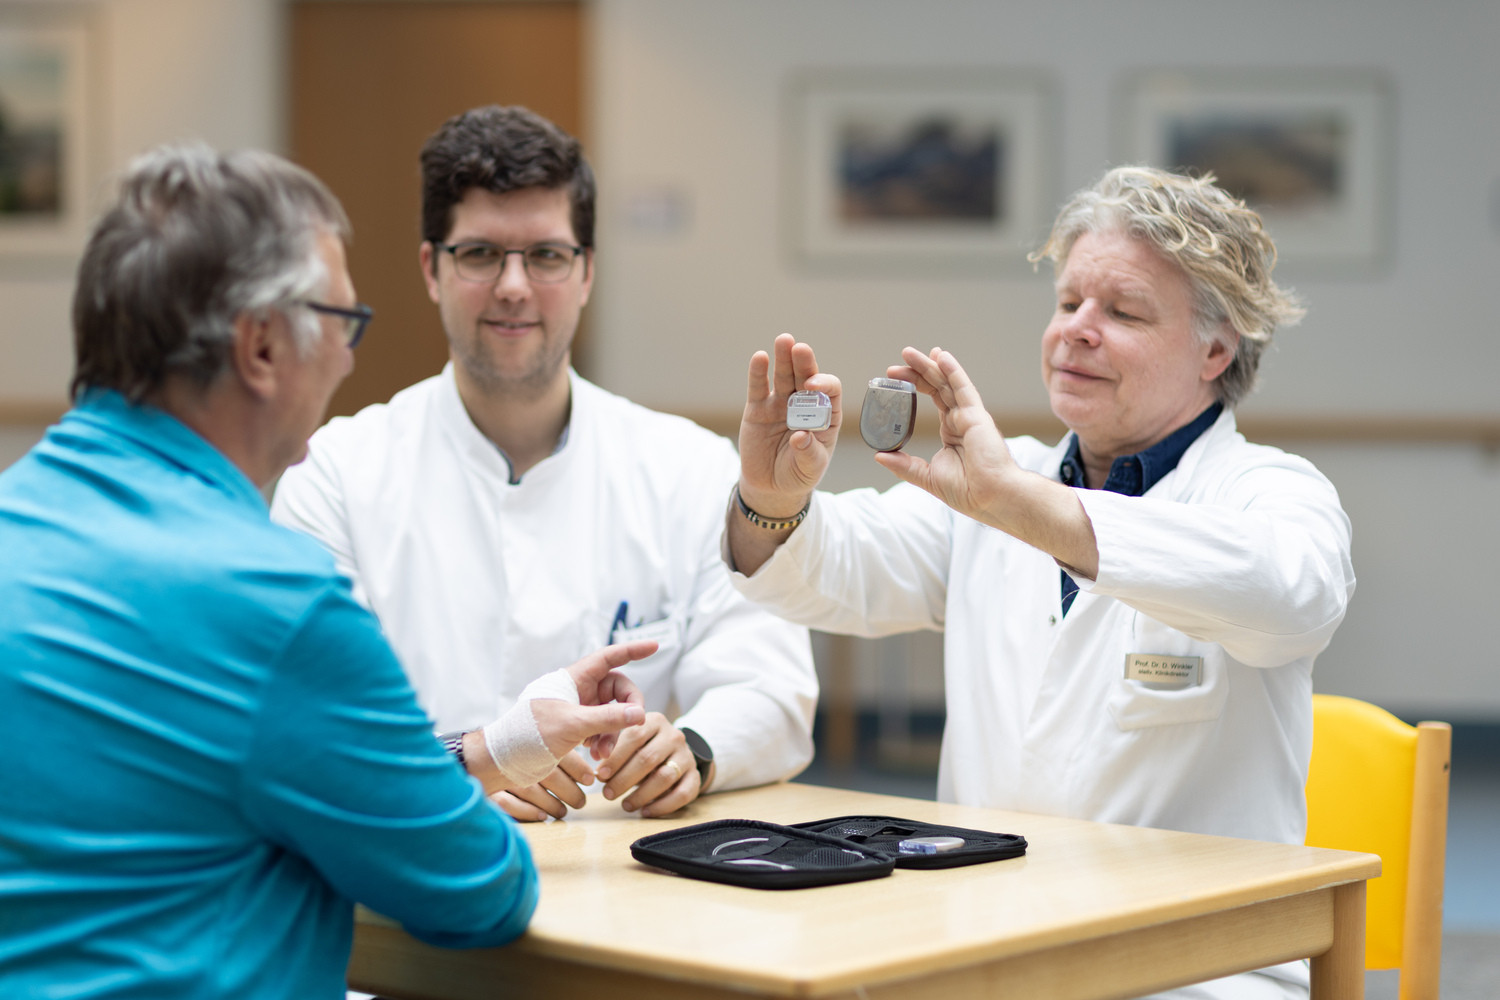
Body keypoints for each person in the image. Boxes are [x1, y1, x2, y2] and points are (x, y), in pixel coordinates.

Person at [0, 144, 653, 1000]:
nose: (348, 362)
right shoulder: (272, 604)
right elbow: (480, 893)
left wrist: (497, 745)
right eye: (344, 325)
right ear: (263, 347)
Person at [725, 167, 1354, 1000]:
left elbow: (1290, 597)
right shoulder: (1001, 483)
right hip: (987, 944)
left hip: (1190, 969)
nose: (1077, 332)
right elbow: (832, 571)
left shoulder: (1272, 494)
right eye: (1067, 304)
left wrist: (1022, 505)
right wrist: (772, 500)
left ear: (1215, 348)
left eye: (1123, 312)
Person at [271, 105, 818, 822]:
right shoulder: (335, 474)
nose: (513, 287)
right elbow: (309, 718)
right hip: (411, 874)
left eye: (546, 256)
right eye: (480, 254)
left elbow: (771, 686)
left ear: (587, 273)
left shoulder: (684, 467)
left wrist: (692, 750)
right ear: (431, 269)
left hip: (631, 896)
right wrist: (479, 758)